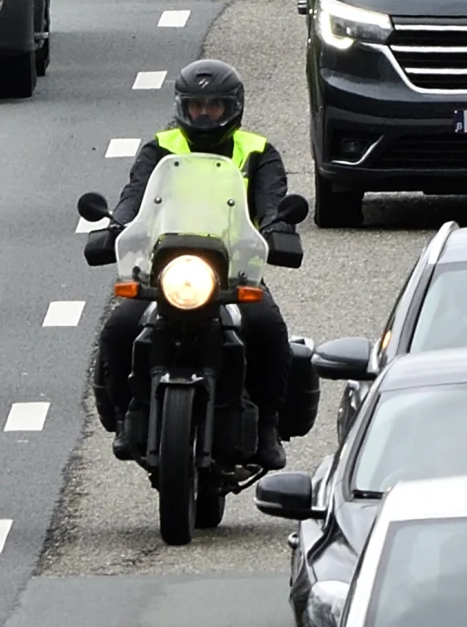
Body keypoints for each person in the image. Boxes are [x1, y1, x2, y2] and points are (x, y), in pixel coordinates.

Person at [92, 59, 311, 454]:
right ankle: (128, 413)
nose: (205, 114)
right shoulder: (160, 148)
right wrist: (114, 227)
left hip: (234, 269)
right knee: (119, 327)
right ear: (182, 107)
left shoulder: (257, 150)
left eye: (214, 106)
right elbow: (135, 197)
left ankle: (267, 424)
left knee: (267, 327)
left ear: (233, 108)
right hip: (164, 268)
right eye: (197, 106)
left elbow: (270, 201)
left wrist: (279, 228)